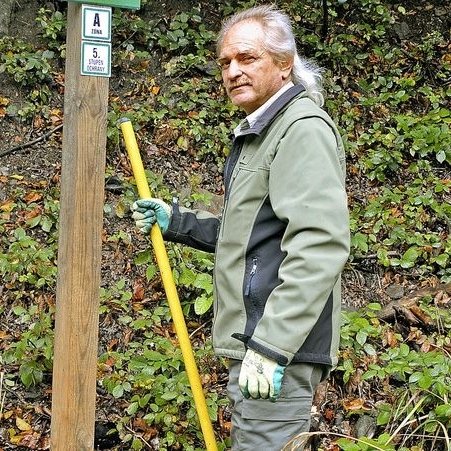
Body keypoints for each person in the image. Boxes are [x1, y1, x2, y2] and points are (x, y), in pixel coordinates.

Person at [131, 5, 350, 450]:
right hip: (257, 346)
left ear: (284, 63)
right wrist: (180, 223)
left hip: (277, 351)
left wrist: (272, 346)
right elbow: (252, 232)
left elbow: (320, 245)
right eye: (225, 62)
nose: (232, 71)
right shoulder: (262, 131)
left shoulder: (300, 129)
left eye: (247, 58)